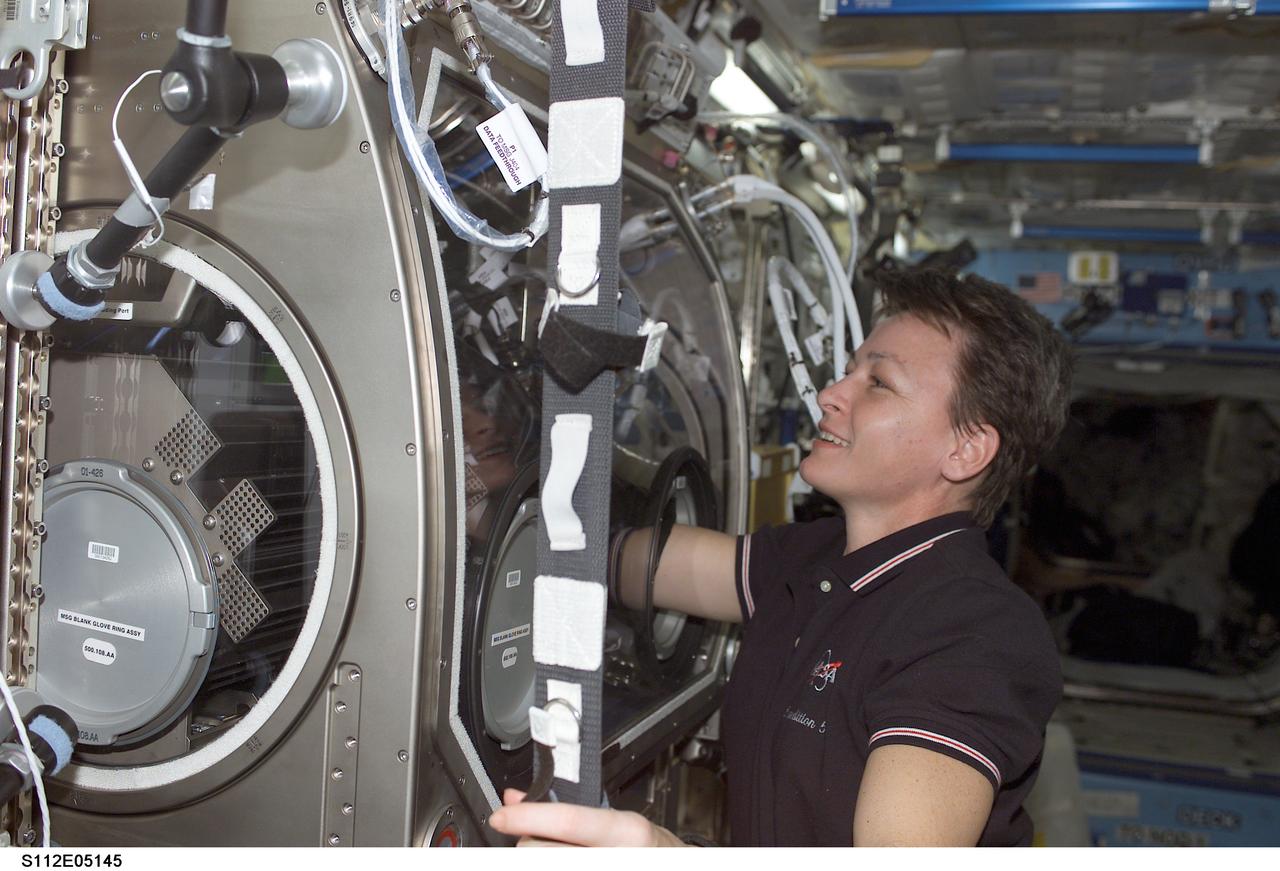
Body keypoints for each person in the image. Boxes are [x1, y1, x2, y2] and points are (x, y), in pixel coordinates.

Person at [488, 267, 1074, 846]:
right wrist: (482, 500)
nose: (831, 395)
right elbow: (620, 561)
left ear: (966, 450)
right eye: (848, 372)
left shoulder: (973, 634)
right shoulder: (816, 557)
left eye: (879, 383)